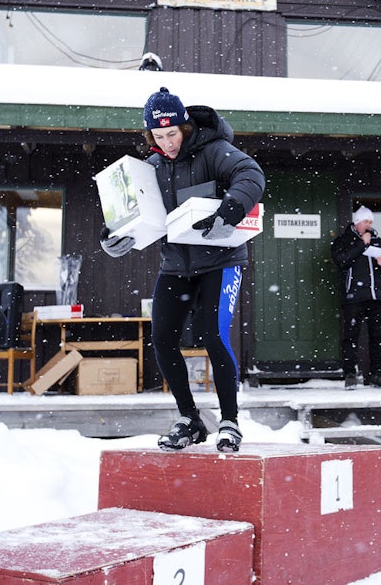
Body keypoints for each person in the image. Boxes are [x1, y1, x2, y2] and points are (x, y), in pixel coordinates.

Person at [100, 86, 265, 452]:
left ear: (185, 127)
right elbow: (130, 213)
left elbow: (250, 174)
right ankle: (190, 419)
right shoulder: (152, 167)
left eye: (172, 134)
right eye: (158, 136)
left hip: (221, 260)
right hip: (175, 265)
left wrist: (232, 207)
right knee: (162, 338)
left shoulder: (214, 150)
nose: (167, 142)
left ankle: (229, 421)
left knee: (212, 334)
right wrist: (111, 234)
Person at [330, 205, 381, 389]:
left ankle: (376, 375)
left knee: (377, 338)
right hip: (354, 297)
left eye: (371, 222)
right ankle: (350, 374)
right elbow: (341, 261)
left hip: (377, 298)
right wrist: (362, 245)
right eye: (365, 221)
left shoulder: (380, 242)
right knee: (350, 337)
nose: (369, 225)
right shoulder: (344, 241)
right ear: (357, 223)